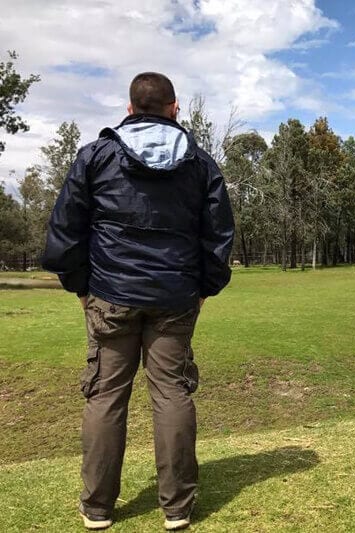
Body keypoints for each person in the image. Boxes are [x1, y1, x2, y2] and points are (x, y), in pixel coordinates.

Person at [42, 72, 234, 531]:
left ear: (129, 109)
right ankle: (178, 509)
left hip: (110, 296)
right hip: (174, 298)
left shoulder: (95, 156)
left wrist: (82, 287)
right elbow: (218, 237)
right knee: (171, 393)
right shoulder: (201, 163)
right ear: (175, 109)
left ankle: (98, 508)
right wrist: (204, 288)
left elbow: (66, 231)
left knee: (106, 396)